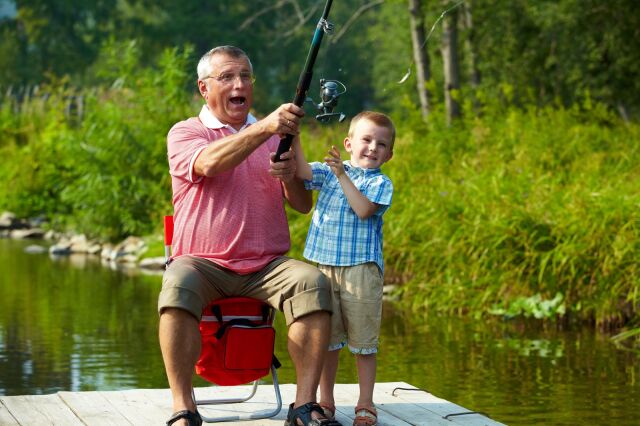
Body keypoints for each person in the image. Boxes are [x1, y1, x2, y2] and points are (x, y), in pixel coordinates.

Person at [159, 45, 342, 426]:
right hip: (203, 263)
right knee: (177, 285)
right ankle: (183, 408)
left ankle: (304, 406)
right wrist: (266, 128)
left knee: (311, 282)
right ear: (203, 88)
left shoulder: (279, 136)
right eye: (226, 77)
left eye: (244, 76)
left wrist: (290, 172)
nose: (239, 83)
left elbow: (301, 203)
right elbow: (209, 163)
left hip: (267, 266)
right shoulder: (186, 132)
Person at [293, 111, 395, 426]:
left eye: (381, 144)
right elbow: (300, 171)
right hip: (324, 268)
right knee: (328, 340)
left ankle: (365, 404)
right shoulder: (330, 171)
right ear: (349, 143)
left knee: (363, 343)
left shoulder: (380, 183)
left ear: (389, 154)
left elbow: (363, 210)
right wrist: (293, 133)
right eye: (366, 140)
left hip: (361, 272)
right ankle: (326, 400)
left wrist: (342, 176)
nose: (372, 147)